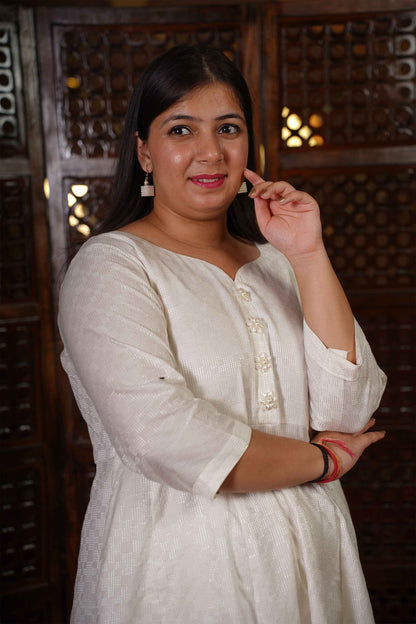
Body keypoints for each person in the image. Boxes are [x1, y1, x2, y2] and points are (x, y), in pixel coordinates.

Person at [58, 44, 387, 624]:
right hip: (181, 563)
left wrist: (308, 254)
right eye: (181, 129)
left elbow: (346, 408)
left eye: (228, 128)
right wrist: (323, 463)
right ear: (144, 151)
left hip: (309, 553)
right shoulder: (113, 267)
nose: (210, 152)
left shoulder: (277, 262)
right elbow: (161, 437)